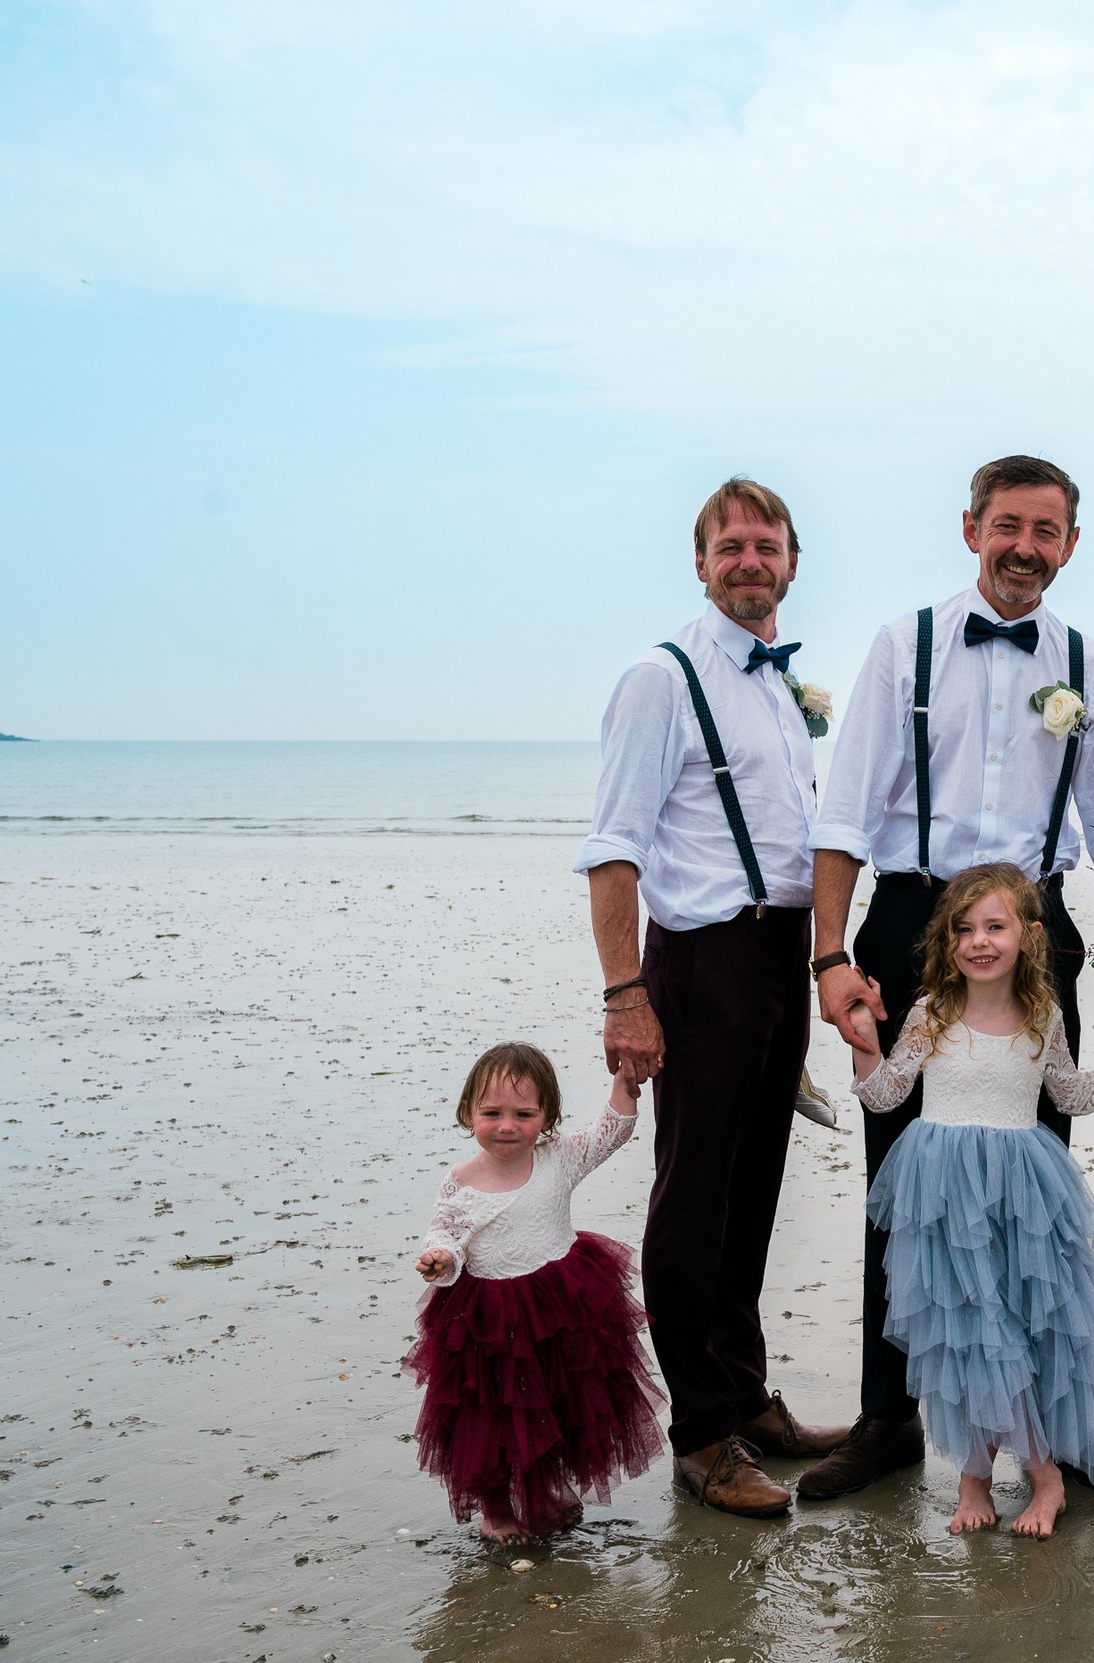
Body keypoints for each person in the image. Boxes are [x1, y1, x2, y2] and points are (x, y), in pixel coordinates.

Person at [808, 455, 1094, 1500]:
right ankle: (886, 1421)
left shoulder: (1091, 666)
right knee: (900, 1197)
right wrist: (831, 956)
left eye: (1045, 531)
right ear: (971, 529)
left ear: (1070, 545)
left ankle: (1048, 1437)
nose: (1024, 547)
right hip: (913, 915)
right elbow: (843, 814)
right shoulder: (902, 645)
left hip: (1040, 927)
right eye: (1007, 525)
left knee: (1030, 1205)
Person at [573, 477, 843, 1519]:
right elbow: (614, 847)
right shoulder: (661, 677)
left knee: (754, 1188)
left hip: (777, 961)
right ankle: (700, 1436)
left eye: (765, 544)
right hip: (699, 960)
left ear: (791, 561)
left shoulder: (777, 683)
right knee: (693, 1198)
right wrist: (624, 995)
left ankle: (744, 1394)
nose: (748, 559)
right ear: (699, 562)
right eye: (728, 545)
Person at [849, 864, 1094, 1537]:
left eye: (995, 926)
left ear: (1029, 935)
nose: (979, 940)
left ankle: (1046, 1478)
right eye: (964, 928)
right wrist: (865, 1045)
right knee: (962, 1341)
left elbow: (1067, 1095)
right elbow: (886, 1094)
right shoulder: (931, 1013)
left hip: (1021, 1193)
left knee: (1013, 1333)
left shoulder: (1043, 1015)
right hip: (944, 1196)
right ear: (946, 939)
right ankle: (974, 1477)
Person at [406, 1044, 665, 1541]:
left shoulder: (559, 1158)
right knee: (493, 1422)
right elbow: (446, 1232)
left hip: (560, 1308)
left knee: (564, 1405)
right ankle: (496, 1511)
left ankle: (546, 1490)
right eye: (492, 1113)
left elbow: (610, 1135)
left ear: (547, 1117)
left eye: (524, 1114)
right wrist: (440, 1258)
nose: (507, 1126)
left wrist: (623, 1086)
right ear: (468, 1114)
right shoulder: (461, 1180)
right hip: (488, 1320)